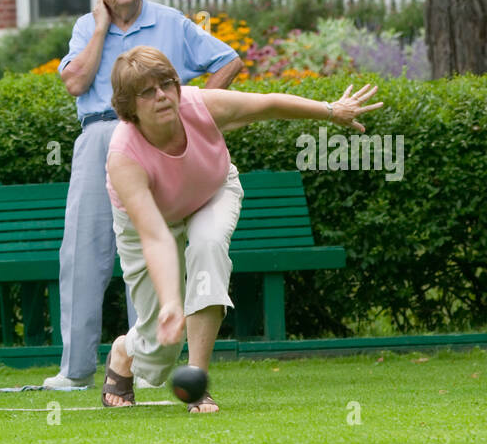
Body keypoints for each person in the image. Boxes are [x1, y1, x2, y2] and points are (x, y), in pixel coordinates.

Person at [102, 45, 382, 411]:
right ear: (129, 106)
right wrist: (172, 302)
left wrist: (331, 111)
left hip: (210, 193)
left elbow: (266, 104)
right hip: (151, 222)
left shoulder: (198, 105)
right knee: (158, 347)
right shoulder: (124, 157)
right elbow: (155, 236)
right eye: (147, 91)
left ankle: (197, 383)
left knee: (208, 247)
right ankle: (125, 350)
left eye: (167, 84)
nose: (162, 96)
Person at [43, 0, 243, 390]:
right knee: (83, 252)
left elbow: (229, 59)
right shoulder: (84, 28)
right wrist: (99, 29)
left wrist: (195, 111)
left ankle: (144, 366)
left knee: (153, 245)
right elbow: (75, 82)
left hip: (152, 140)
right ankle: (74, 371)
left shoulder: (170, 21)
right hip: (100, 136)